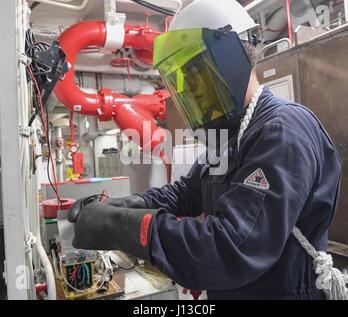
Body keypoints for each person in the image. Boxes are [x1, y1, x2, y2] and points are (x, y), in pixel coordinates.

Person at [68, 0, 342, 300]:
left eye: (196, 71)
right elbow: (185, 193)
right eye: (181, 78)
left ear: (230, 60)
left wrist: (118, 226)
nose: (188, 87)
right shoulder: (232, 136)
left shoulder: (282, 132)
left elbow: (230, 248)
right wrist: (120, 206)